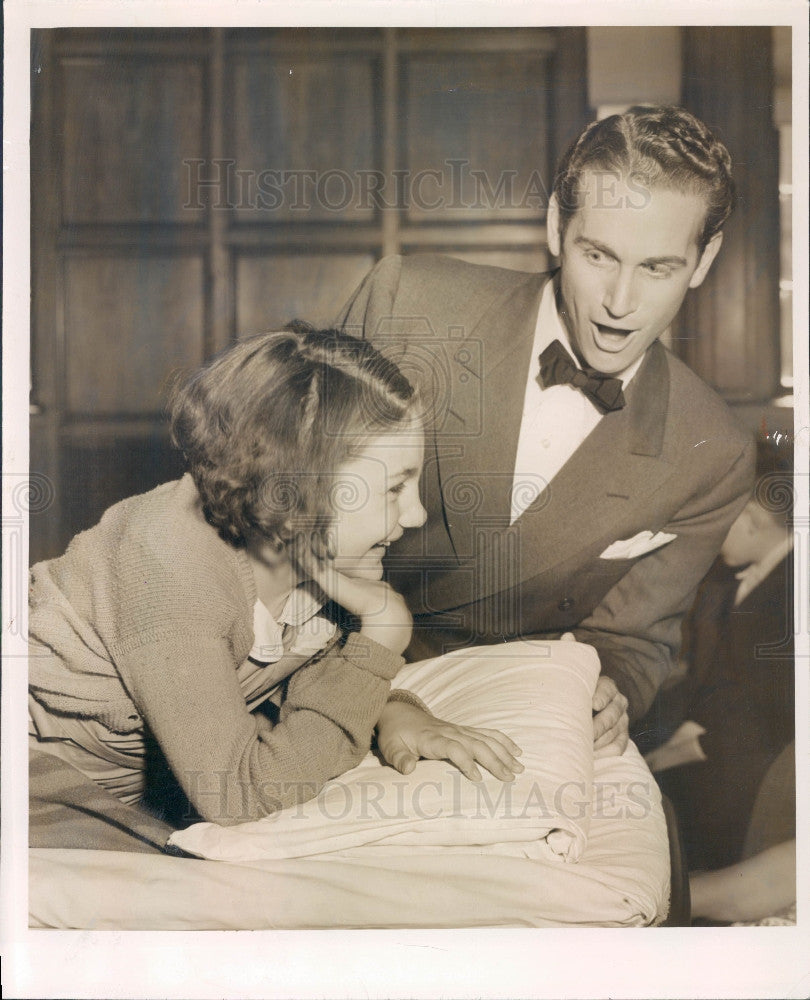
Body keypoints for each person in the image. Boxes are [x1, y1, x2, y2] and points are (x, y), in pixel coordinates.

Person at [337, 105, 755, 755]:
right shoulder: (409, 310)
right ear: (558, 228)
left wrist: (605, 690)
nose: (620, 303)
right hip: (324, 680)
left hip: (503, 722)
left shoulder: (713, 452)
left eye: (658, 268)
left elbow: (632, 641)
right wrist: (382, 699)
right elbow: (284, 541)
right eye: (599, 255)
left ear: (703, 261)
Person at [28, 325, 522, 846]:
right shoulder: (169, 569)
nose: (417, 513)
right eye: (395, 488)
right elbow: (239, 797)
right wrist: (380, 639)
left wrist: (389, 710)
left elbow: (305, 684)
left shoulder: (312, 549)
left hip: (130, 788)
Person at [647, 436, 795, 920]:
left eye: (723, 523)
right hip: (718, 740)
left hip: (758, 769)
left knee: (658, 810)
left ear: (752, 523)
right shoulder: (746, 579)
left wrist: (665, 754)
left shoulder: (787, 595)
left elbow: (769, 714)